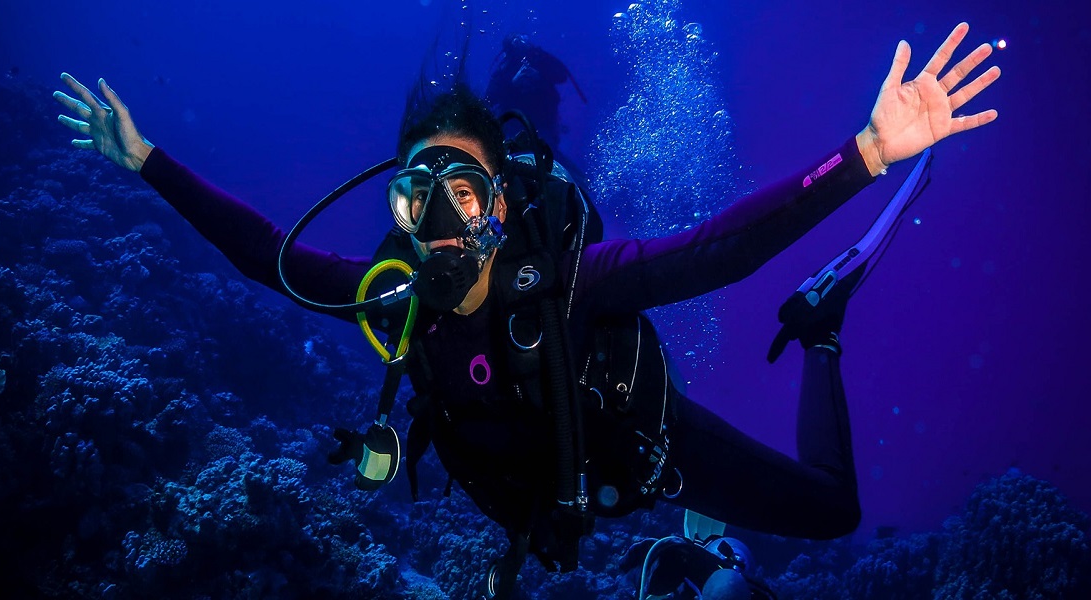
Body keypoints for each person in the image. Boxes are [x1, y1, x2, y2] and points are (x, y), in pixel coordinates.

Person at [53, 21, 999, 598]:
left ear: (501, 205)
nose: (435, 216)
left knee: (832, 514)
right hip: (546, 494)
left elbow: (719, 250)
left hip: (652, 453)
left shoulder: (570, 282)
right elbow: (269, 256)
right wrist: (146, 162)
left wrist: (868, 152)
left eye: (462, 190)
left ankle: (820, 329)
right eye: (412, 194)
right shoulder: (396, 299)